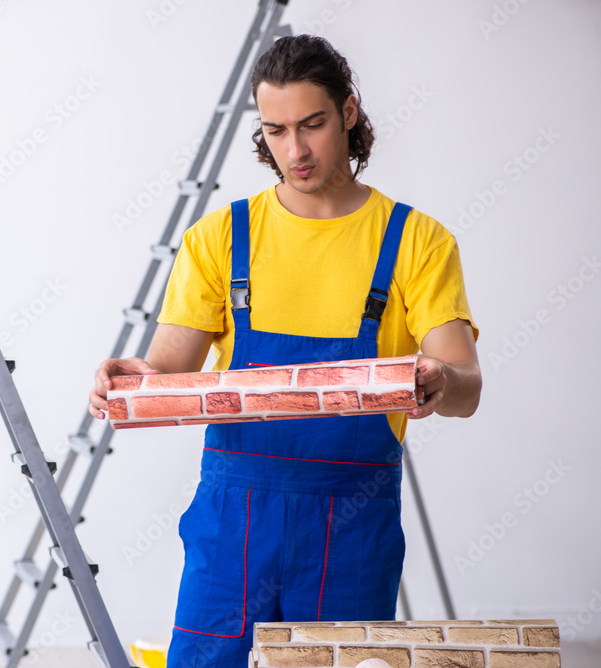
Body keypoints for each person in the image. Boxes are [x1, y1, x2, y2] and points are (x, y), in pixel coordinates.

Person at [88, 34, 482, 666]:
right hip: (232, 525)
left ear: (348, 113)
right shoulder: (220, 237)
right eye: (275, 131)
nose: (294, 151)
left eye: (312, 125)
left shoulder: (416, 241)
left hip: (350, 526)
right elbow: (168, 371)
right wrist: (132, 379)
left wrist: (440, 380)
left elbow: (467, 385)